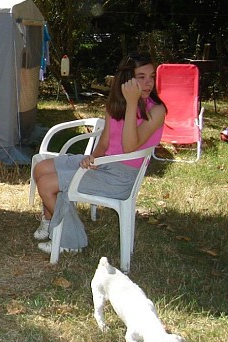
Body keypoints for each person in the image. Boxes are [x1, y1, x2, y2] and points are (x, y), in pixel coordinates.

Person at [32, 52, 167, 254]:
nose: (148, 83)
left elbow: (129, 147)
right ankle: (51, 220)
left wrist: (132, 103)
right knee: (41, 168)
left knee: (46, 184)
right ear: (127, 79)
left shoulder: (156, 110)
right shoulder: (115, 105)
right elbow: (104, 142)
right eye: (141, 77)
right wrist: (92, 158)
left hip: (120, 177)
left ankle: (71, 240)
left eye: (152, 77)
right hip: (104, 164)